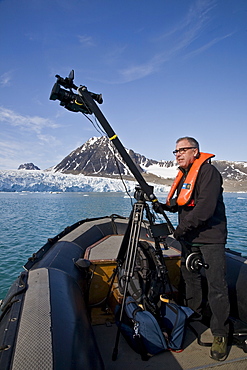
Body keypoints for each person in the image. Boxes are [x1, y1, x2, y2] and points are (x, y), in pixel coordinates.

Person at [155, 137, 230, 361]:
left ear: (195, 152)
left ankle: (220, 334)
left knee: (217, 286)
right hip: (190, 238)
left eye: (182, 150)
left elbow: (205, 209)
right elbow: (182, 200)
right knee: (191, 279)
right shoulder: (188, 174)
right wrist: (164, 206)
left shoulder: (209, 173)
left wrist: (177, 232)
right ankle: (193, 315)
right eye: (175, 151)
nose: (177, 154)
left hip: (210, 238)